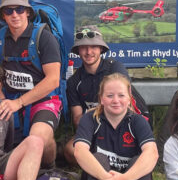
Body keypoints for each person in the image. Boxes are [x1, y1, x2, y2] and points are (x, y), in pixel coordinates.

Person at [0, 0, 62, 166]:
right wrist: (0, 98)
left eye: (20, 9)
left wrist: (19, 102)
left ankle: (48, 168)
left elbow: (53, 80)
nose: (14, 15)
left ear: (28, 12)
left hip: (44, 100)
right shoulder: (0, 38)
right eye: (9, 11)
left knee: (38, 138)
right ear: (3, 16)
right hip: (9, 100)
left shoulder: (44, 38)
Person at [62, 25, 149, 165]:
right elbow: (78, 119)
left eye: (94, 47)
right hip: (95, 128)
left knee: (135, 153)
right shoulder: (74, 81)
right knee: (70, 150)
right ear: (78, 50)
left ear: (101, 49)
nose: (89, 51)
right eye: (83, 47)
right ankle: (96, 173)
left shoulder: (115, 67)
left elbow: (127, 105)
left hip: (124, 125)